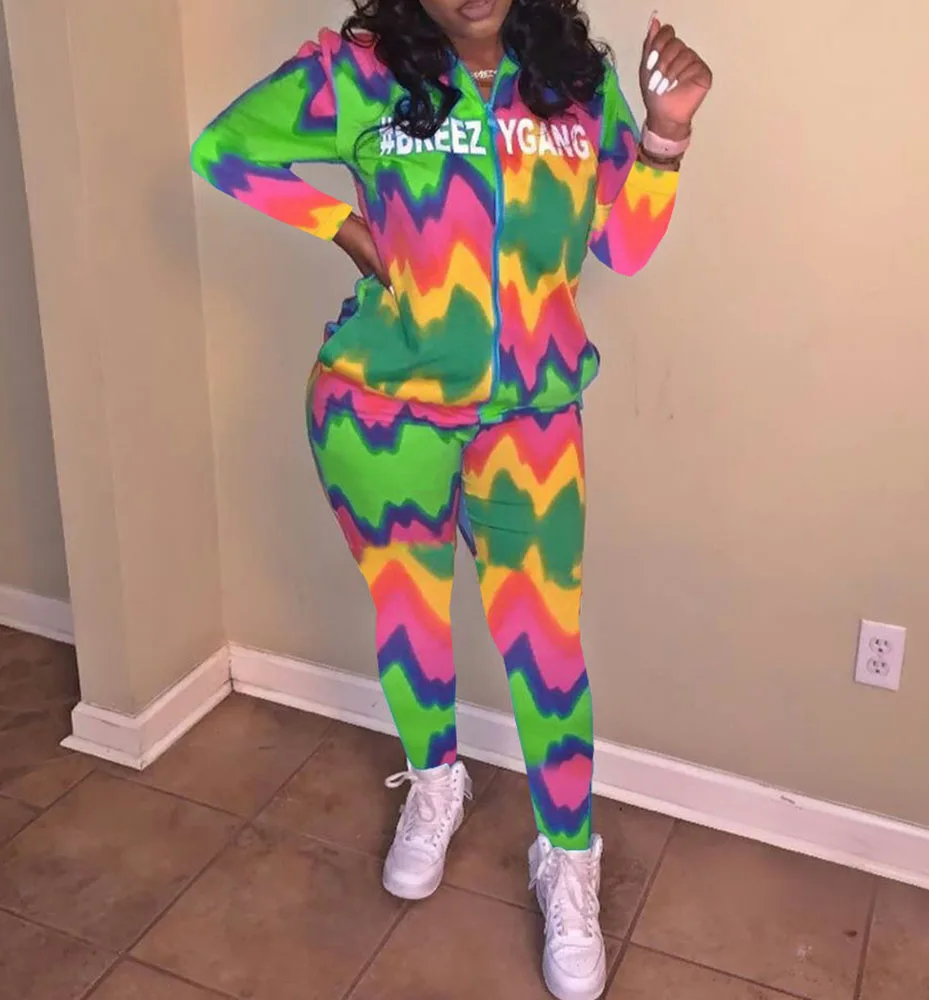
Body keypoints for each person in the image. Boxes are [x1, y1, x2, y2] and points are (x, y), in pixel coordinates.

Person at [191, 1, 711, 996]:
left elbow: (624, 247)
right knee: (409, 613)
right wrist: (343, 226)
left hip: (531, 418)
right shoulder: (360, 73)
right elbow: (223, 150)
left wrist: (665, 134)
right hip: (379, 410)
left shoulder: (575, 84)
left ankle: (568, 856)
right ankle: (436, 781)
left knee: (545, 644)